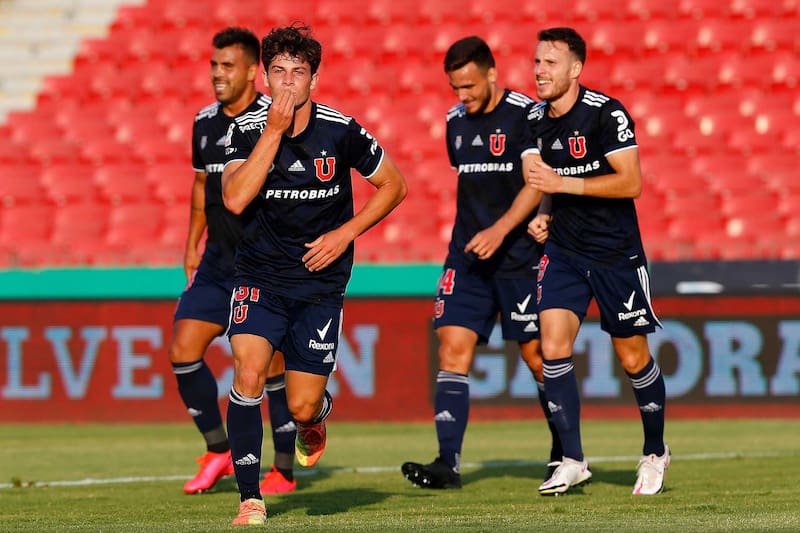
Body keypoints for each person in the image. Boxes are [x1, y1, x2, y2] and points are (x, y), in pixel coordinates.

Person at [220, 23, 408, 525]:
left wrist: (346, 233)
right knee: (248, 372)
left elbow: (394, 185)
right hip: (259, 275)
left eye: (297, 73)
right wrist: (273, 132)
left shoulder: (341, 130)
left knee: (301, 406)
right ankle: (250, 498)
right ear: (264, 78)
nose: (287, 82)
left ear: (314, 81)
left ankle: (315, 418)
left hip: (320, 283)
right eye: (278, 72)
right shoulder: (244, 129)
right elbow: (235, 198)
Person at [400, 36, 562, 491]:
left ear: (492, 74)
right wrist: (482, 235)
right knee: (452, 348)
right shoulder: (454, 122)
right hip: (468, 257)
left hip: (519, 257)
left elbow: (536, 182)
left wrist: (502, 230)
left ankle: (564, 452)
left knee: (537, 357)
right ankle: (447, 464)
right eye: (455, 88)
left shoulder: (524, 115)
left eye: (469, 86)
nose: (462, 96)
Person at [522, 27, 669, 496]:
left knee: (633, 357)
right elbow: (545, 180)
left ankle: (655, 451)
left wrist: (561, 186)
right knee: (552, 347)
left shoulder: (607, 113)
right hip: (563, 252)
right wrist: (544, 212)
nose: (539, 71)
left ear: (576, 69)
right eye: (537, 62)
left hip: (615, 254)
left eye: (550, 62)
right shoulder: (534, 118)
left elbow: (631, 183)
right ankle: (572, 459)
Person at [168, 27, 298, 496]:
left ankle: (283, 468)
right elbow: (202, 186)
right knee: (183, 350)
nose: (218, 74)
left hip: (262, 262)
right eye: (214, 65)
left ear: (250, 72)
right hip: (216, 262)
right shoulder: (204, 122)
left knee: (271, 366)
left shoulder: (273, 120)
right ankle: (218, 449)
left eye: (228, 66)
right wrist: (191, 243)